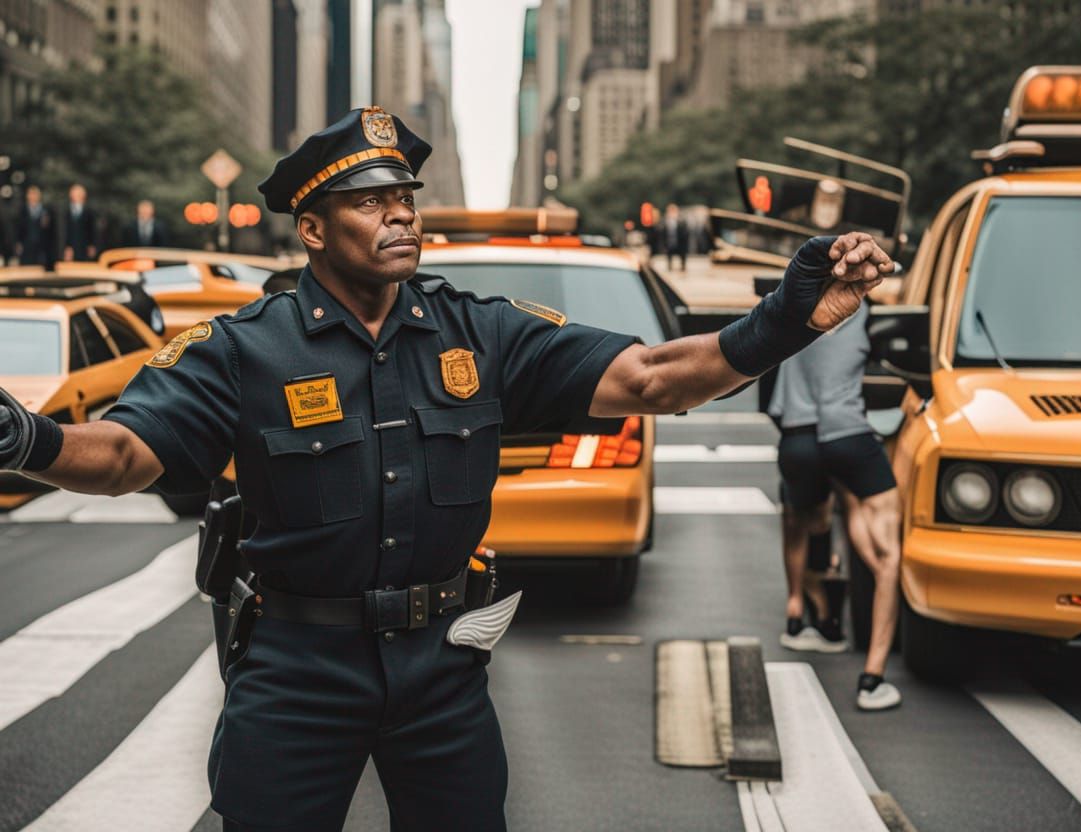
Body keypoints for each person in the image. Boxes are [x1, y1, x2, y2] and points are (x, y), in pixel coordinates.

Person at [0, 108, 892, 830]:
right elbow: (121, 456)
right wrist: (23, 440)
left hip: (442, 666)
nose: (400, 214)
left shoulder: (482, 331)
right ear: (311, 228)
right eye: (369, 200)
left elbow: (653, 377)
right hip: (297, 664)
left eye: (405, 197)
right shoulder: (244, 351)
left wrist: (790, 316)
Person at [769, 304, 903, 711]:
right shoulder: (863, 313)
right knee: (886, 554)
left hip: (796, 436)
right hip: (846, 434)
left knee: (802, 518)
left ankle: (801, 615)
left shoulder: (789, 308)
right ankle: (872, 678)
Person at [14, 185, 57, 267]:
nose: (33, 196)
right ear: (27, 196)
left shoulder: (46, 211)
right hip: (27, 248)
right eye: (31, 194)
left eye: (35, 194)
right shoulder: (22, 211)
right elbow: (18, 229)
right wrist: (18, 243)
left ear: (39, 196)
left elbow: (51, 232)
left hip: (42, 250)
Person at [61, 183, 99, 261]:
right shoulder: (66, 212)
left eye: (79, 194)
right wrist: (66, 247)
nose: (77, 196)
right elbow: (64, 231)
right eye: (75, 194)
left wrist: (92, 245)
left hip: (84, 248)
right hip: (70, 248)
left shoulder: (89, 212)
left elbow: (92, 230)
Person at [661, 202, 689, 271]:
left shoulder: (681, 221)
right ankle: (670, 267)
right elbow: (663, 233)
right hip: (670, 242)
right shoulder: (666, 221)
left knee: (682, 256)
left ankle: (683, 267)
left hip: (680, 242)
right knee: (670, 257)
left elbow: (685, 232)